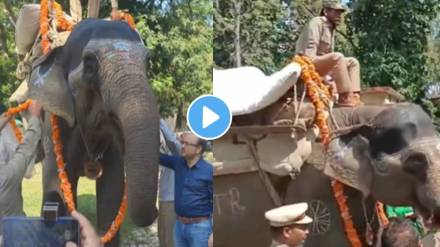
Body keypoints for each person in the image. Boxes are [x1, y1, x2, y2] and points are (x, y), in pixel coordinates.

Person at [295, 0, 362, 107]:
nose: (339, 16)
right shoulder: (317, 22)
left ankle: (354, 95)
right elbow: (309, 51)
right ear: (326, 11)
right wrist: (323, 76)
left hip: (322, 64)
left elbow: (329, 56)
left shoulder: (331, 28)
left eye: (340, 13)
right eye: (336, 12)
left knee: (353, 62)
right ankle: (345, 97)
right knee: (338, 56)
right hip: (308, 61)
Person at [159, 132, 213, 247]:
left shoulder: (209, 172)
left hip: (200, 229)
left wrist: (213, 233)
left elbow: (217, 202)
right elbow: (158, 157)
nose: (182, 146)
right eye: (182, 142)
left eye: (186, 144)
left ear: (198, 149)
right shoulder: (178, 163)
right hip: (179, 225)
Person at [158, 119, 181, 247]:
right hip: (164, 200)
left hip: (172, 201)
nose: (179, 136)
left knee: (170, 240)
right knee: (163, 236)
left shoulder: (181, 156)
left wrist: (159, 121)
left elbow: (172, 141)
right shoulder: (170, 156)